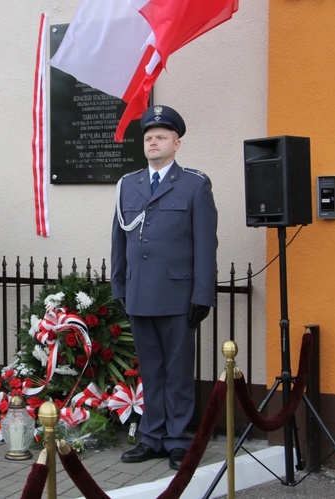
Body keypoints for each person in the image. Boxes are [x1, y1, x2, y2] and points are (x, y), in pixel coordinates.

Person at [110, 105, 218, 471]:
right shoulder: (129, 184)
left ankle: (178, 439)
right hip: (140, 293)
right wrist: (119, 285)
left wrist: (203, 294)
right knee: (151, 370)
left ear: (177, 142)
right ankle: (153, 436)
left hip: (177, 295)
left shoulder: (193, 184)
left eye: (161, 137)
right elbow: (119, 240)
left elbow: (206, 244)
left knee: (177, 371)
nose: (153, 142)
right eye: (149, 138)